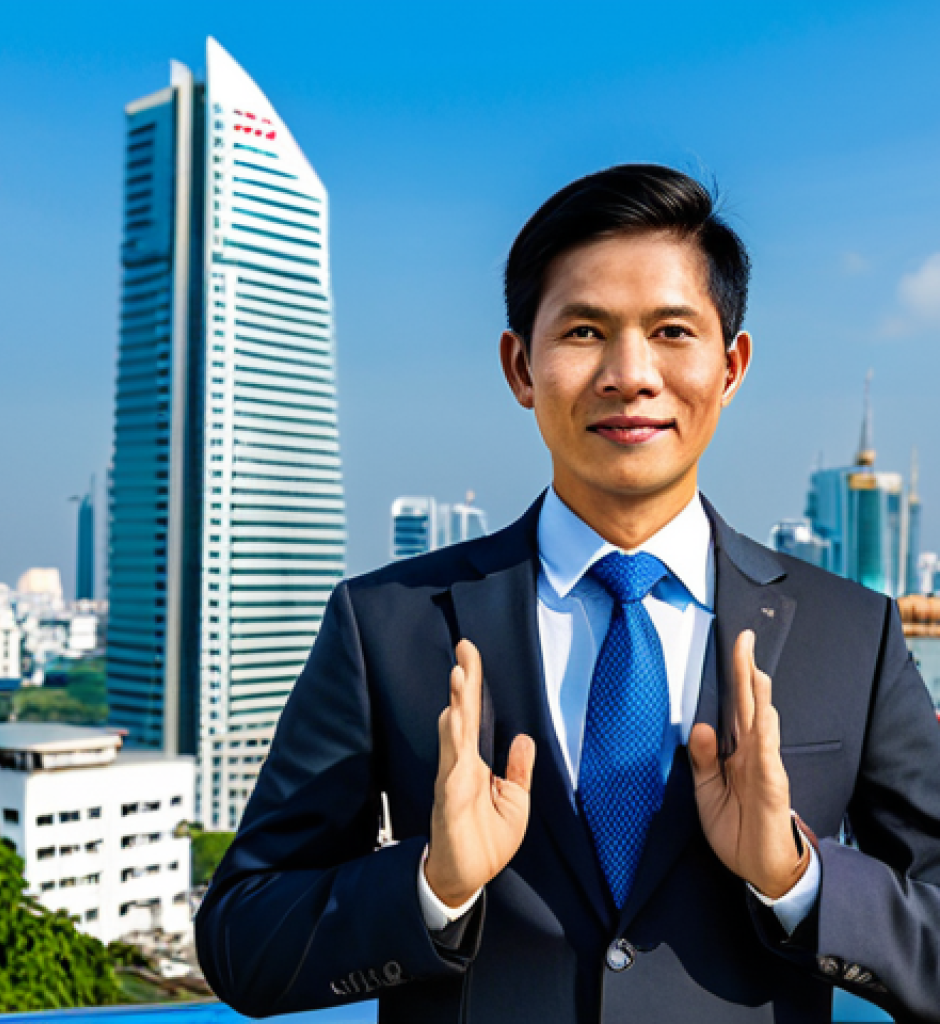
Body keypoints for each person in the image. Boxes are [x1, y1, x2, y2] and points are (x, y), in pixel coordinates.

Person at [195, 165, 940, 1023]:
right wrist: (431, 885)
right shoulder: (389, 624)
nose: (631, 374)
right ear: (521, 366)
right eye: (585, 331)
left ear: (730, 366)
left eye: (671, 331)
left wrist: (798, 880)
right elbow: (242, 936)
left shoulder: (854, 632)